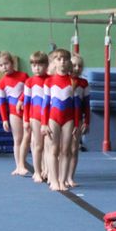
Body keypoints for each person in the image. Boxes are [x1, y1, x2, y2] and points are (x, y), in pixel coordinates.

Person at [41, 49, 78, 191]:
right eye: (59, 59)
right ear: (54, 62)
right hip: (53, 119)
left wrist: (76, 123)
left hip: (69, 119)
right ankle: (54, 180)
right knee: (54, 149)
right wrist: (44, 123)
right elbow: (45, 105)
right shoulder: (49, 81)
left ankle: (62, 181)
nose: (62, 62)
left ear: (69, 62)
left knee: (66, 150)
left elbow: (76, 106)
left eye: (65, 59)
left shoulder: (73, 81)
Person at [0, 51, 30, 177]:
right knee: (17, 139)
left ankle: (27, 164)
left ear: (12, 63)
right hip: (14, 113)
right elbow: (2, 103)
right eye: (1, 65)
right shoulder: (1, 83)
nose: (4, 67)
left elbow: (29, 90)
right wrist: (4, 119)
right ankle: (19, 166)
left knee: (29, 138)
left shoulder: (23, 76)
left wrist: (21, 99)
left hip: (27, 111)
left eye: (6, 63)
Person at [22, 51, 50, 183]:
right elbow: (27, 103)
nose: (37, 68)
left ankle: (46, 169)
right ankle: (37, 171)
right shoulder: (29, 82)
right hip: (35, 117)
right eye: (34, 66)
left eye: (40, 65)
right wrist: (26, 120)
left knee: (48, 146)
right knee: (38, 145)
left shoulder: (50, 80)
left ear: (46, 66)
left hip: (49, 117)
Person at [68, 53, 91, 188]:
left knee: (74, 149)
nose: (77, 68)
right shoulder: (64, 81)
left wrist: (87, 121)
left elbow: (86, 105)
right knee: (62, 149)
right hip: (63, 119)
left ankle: (70, 177)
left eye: (80, 66)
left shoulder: (84, 83)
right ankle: (60, 175)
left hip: (77, 120)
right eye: (74, 65)